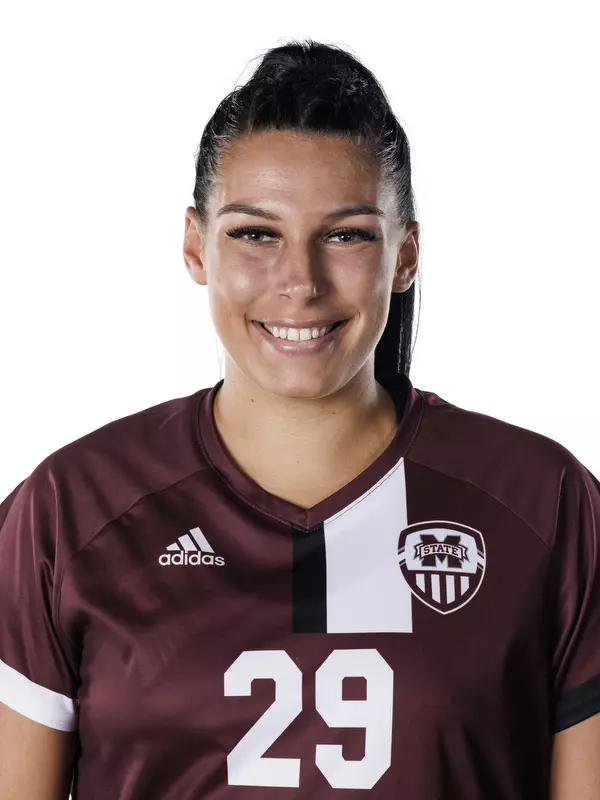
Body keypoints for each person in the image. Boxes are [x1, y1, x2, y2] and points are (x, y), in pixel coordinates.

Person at [0, 37, 599, 800]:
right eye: (256, 233)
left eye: (346, 234)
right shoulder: (71, 510)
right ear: (195, 245)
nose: (300, 282)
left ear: (406, 255)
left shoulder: (539, 503)